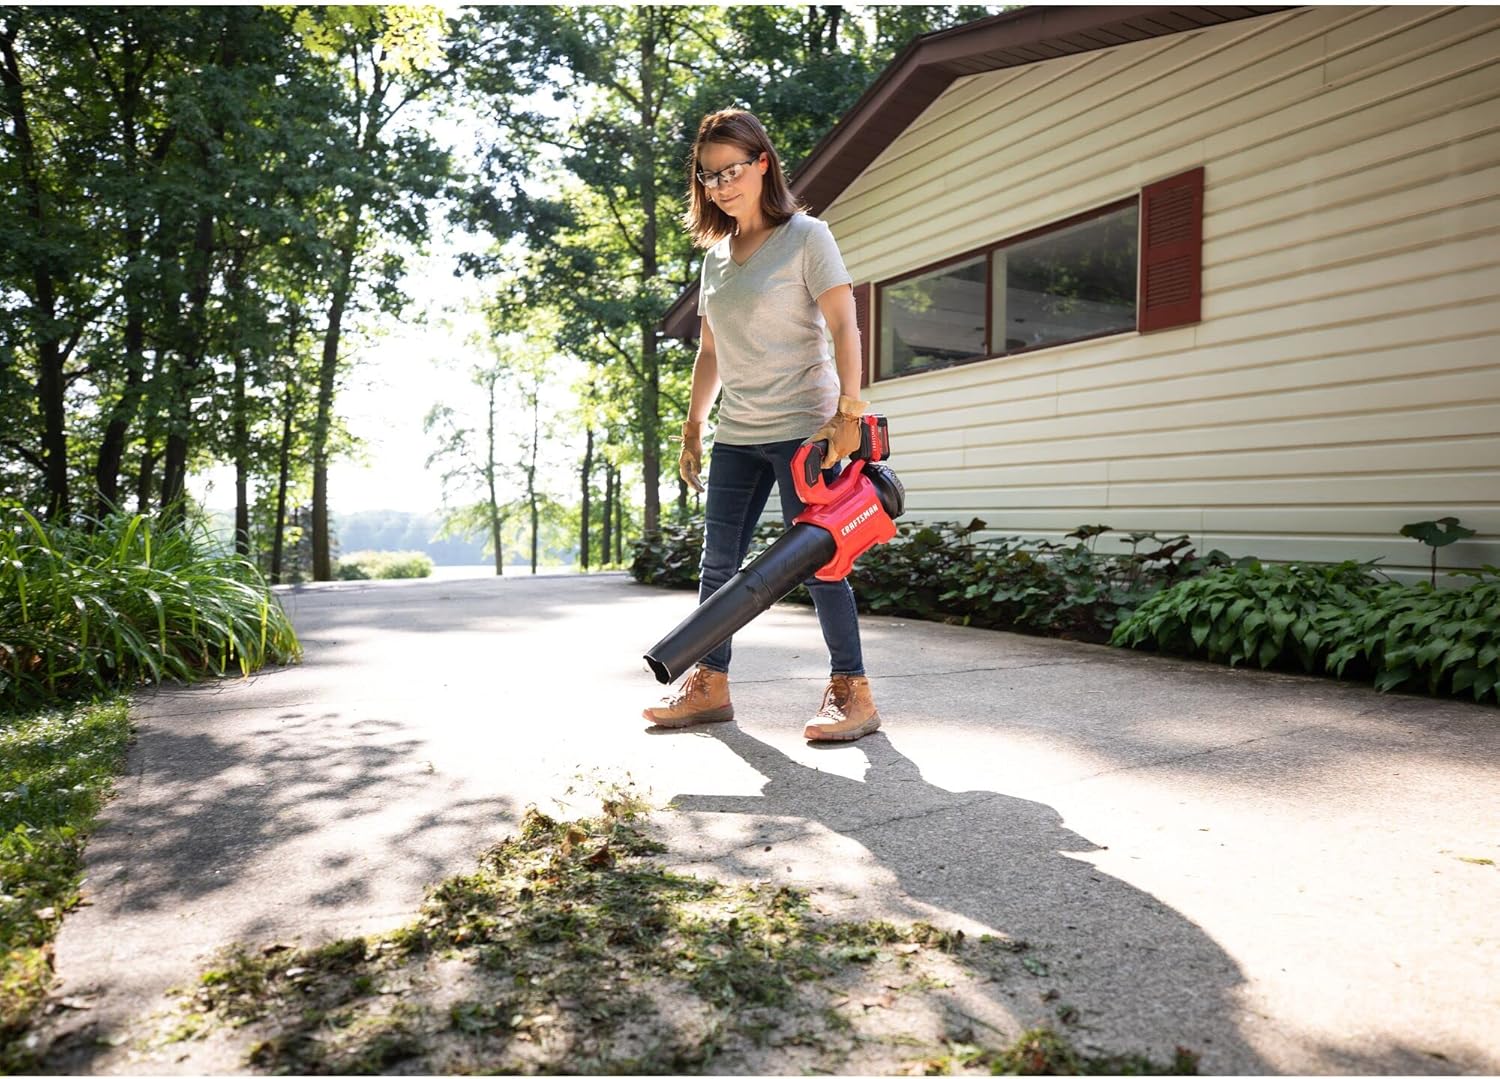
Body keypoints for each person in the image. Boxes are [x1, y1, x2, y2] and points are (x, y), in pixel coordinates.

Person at [642, 108, 879, 743]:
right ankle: (709, 686)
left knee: (820, 560)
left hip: (807, 429)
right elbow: (710, 352)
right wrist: (693, 428)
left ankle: (852, 692)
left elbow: (844, 325)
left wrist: (849, 412)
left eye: (733, 170)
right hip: (738, 432)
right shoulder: (715, 258)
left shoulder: (807, 236)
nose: (721, 185)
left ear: (763, 164)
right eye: (709, 174)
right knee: (718, 565)